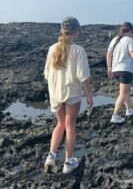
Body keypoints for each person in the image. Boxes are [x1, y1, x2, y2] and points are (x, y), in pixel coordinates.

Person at [43, 17, 93, 174]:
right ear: (76, 31)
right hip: (72, 93)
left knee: (60, 124)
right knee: (70, 125)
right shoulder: (79, 50)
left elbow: (46, 74)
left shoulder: (52, 49)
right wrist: (89, 96)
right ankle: (69, 162)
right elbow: (83, 76)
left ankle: (51, 156)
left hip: (55, 93)